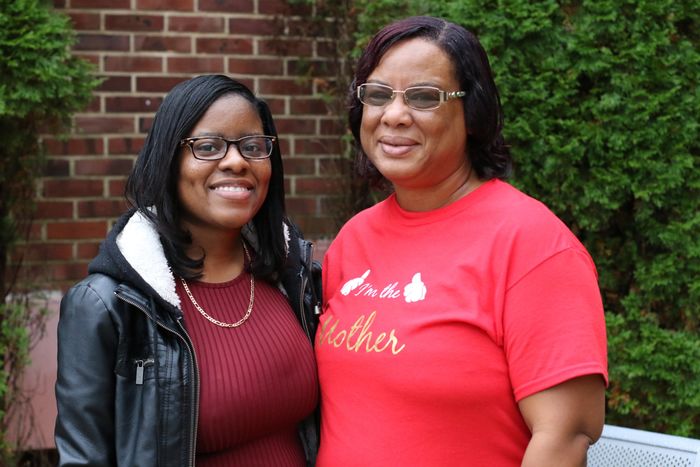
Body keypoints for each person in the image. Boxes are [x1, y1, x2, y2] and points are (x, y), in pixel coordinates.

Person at [316, 16, 608, 466]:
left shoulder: (531, 243)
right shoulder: (355, 239)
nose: (394, 115)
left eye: (424, 97)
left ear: (472, 113)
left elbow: (565, 434)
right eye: (378, 95)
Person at [55, 74, 321, 466]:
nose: (236, 161)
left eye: (253, 146)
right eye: (208, 147)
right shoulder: (107, 307)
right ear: (169, 160)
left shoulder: (293, 279)